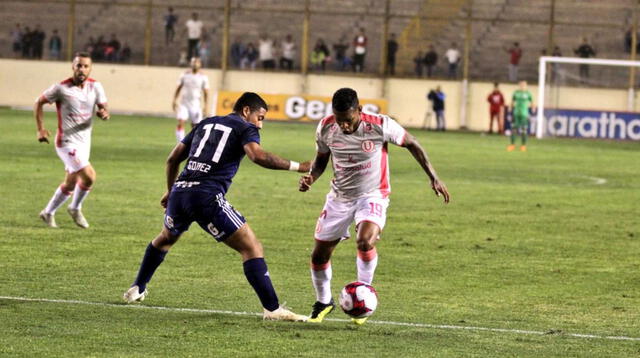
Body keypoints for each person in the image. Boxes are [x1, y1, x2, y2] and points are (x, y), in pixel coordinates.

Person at [123, 92, 310, 322]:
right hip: (207, 196)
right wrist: (299, 166)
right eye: (260, 117)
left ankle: (137, 287)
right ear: (245, 111)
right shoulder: (244, 128)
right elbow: (257, 156)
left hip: (181, 192)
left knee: (166, 238)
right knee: (251, 247)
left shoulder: (205, 123)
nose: (260, 125)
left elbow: (172, 159)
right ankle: (272, 309)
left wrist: (171, 190)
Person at [298, 88, 450, 325]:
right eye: (340, 121)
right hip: (340, 197)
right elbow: (320, 160)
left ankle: (364, 294)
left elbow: (413, 143)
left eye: (348, 121)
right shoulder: (326, 127)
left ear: (359, 110)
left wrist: (434, 177)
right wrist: (311, 177)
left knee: (365, 240)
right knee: (319, 255)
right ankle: (324, 301)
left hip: (373, 194)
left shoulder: (380, 125)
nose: (344, 127)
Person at [34, 52, 109, 229]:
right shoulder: (61, 88)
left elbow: (104, 108)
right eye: (78, 65)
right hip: (66, 143)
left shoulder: (96, 87)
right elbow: (39, 102)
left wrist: (104, 113)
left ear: (90, 68)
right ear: (73, 67)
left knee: (70, 182)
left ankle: (48, 212)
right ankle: (75, 207)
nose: (81, 69)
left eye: (85, 66)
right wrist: (40, 129)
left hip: (84, 143)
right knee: (89, 176)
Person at [172, 57, 210, 142]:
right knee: (181, 122)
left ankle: (193, 144)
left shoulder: (203, 77)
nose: (195, 64)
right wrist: (174, 100)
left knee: (195, 127)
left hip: (195, 105)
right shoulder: (184, 75)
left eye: (197, 62)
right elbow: (178, 88)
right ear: (190, 63)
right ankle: (180, 143)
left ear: (200, 64)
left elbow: (206, 93)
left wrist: (206, 106)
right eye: (193, 62)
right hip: (184, 104)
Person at [508, 80, 533, 152]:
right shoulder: (516, 93)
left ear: (526, 86)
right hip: (516, 114)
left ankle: (523, 146)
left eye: (524, 85)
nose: (522, 86)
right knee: (513, 129)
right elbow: (512, 101)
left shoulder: (528, 93)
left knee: (524, 130)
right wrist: (510, 107)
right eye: (521, 85)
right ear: (519, 85)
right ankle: (512, 145)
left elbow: (532, 102)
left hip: (524, 114)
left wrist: (532, 110)